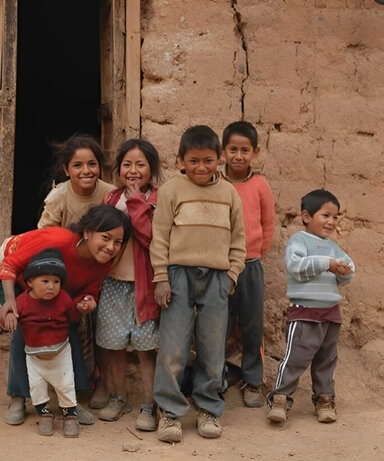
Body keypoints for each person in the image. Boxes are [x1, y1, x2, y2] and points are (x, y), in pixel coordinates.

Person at [150, 125, 246, 443]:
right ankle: (170, 413)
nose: (201, 167)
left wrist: (231, 276)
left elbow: (238, 239)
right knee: (173, 348)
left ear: (219, 159)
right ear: (180, 160)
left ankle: (208, 409)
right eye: (193, 161)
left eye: (207, 160)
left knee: (212, 348)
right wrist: (161, 278)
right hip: (178, 276)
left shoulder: (229, 193)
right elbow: (160, 237)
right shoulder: (171, 191)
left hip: (217, 278)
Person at [0, 204, 132, 427]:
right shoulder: (58, 240)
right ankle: (18, 397)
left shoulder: (102, 264)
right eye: (106, 237)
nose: (110, 247)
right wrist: (11, 302)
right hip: (16, 279)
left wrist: (86, 303)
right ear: (87, 232)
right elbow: (10, 264)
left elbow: (89, 290)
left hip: (52, 290)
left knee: (68, 331)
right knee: (24, 330)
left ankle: (70, 402)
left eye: (117, 242)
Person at [267, 189, 355, 424]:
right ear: (306, 216)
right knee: (296, 357)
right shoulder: (299, 241)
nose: (331, 222)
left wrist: (346, 270)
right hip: (306, 311)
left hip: (331, 312)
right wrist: (327, 263)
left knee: (327, 360)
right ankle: (280, 399)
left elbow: (346, 272)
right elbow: (296, 266)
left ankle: (325, 399)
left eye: (335, 217)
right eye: (325, 215)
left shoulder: (333, 247)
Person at [94, 139, 161, 432]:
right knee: (113, 347)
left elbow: (149, 238)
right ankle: (117, 397)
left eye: (140, 164)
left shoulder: (157, 199)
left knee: (146, 350)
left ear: (151, 169)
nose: (133, 170)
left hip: (143, 288)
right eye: (127, 164)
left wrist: (136, 202)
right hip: (113, 285)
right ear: (118, 168)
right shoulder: (110, 199)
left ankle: (149, 404)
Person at [3, 249, 94, 437]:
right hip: (34, 357)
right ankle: (44, 414)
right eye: (45, 281)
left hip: (61, 354)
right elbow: (8, 318)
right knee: (37, 387)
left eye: (56, 282)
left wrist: (81, 308)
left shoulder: (63, 299)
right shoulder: (22, 302)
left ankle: (70, 415)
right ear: (29, 283)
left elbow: (73, 316)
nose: (51, 287)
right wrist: (9, 316)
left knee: (65, 384)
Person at [221, 121, 275, 408]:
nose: (238, 156)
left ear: (255, 152)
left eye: (245, 150)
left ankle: (253, 380)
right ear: (223, 152)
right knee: (218, 324)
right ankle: (215, 377)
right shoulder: (217, 184)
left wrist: (258, 253)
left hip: (250, 264)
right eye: (233, 150)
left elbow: (268, 224)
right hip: (219, 267)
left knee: (252, 325)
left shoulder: (260, 185)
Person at [38, 132, 114, 228]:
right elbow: (46, 234)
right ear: (66, 170)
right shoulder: (59, 196)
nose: (86, 171)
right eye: (77, 165)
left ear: (100, 166)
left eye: (92, 164)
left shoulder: (111, 195)